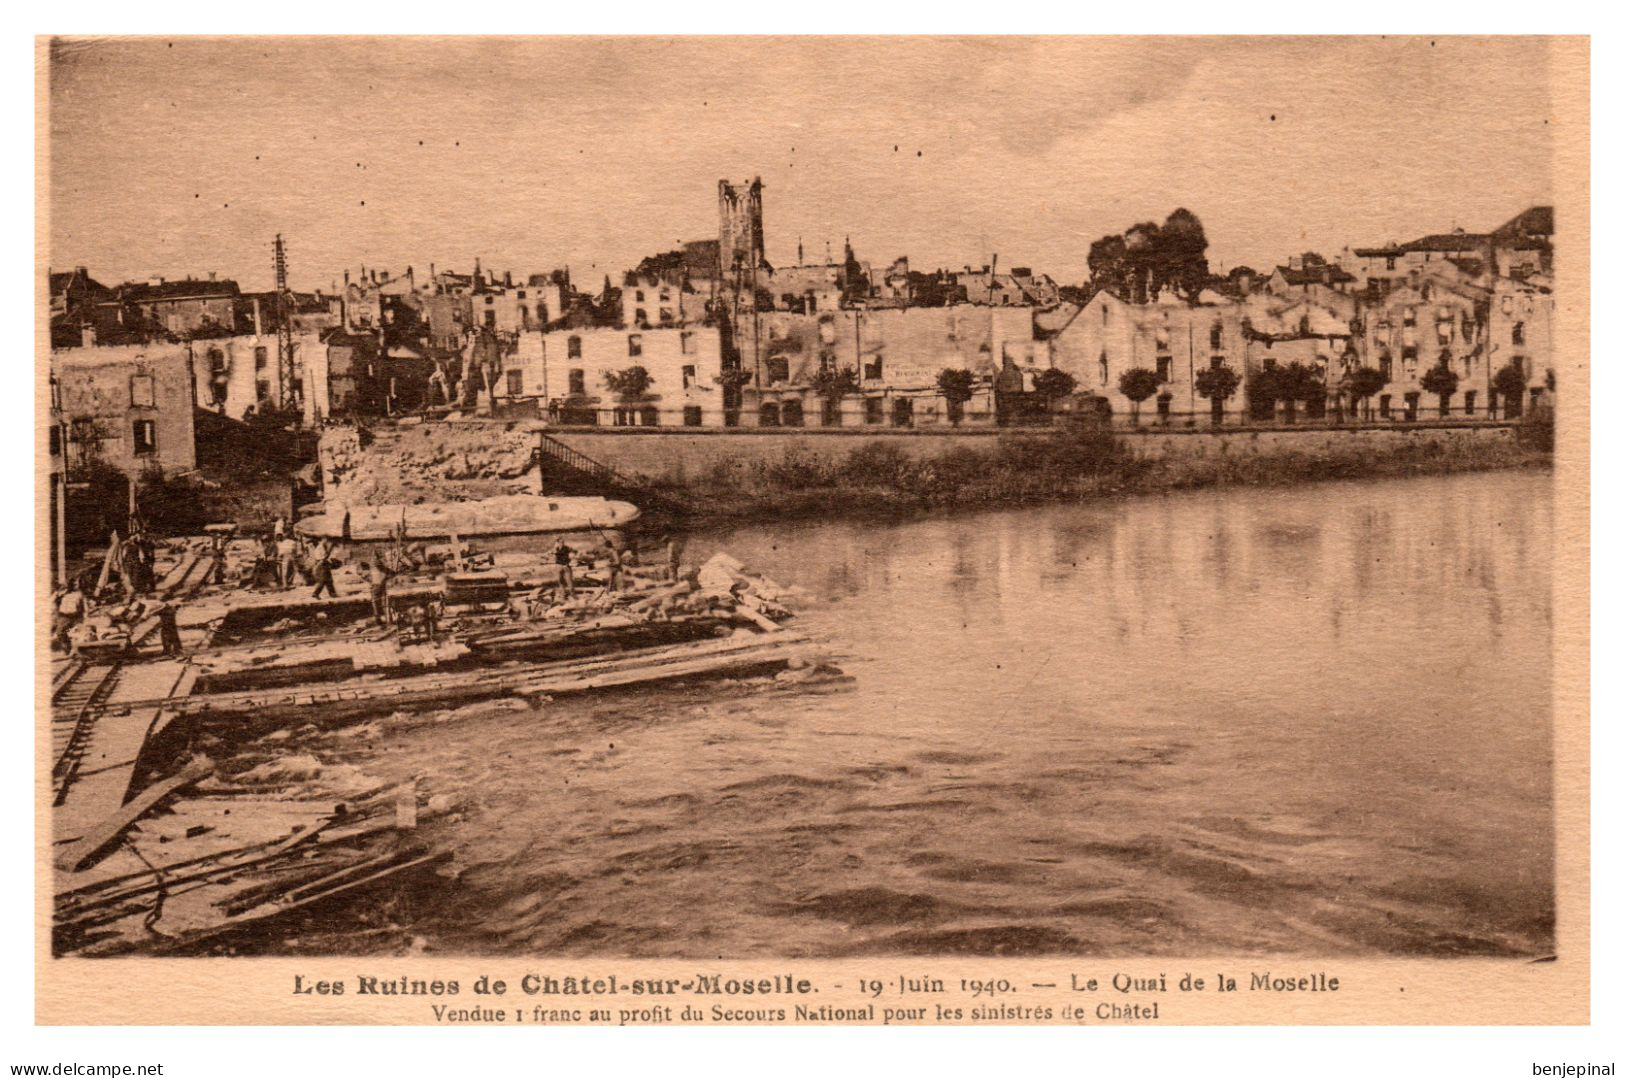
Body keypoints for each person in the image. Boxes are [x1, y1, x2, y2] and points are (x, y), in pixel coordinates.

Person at [363, 560, 391, 625]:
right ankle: (380, 621)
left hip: (379, 588)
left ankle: (386, 620)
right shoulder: (379, 570)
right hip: (377, 588)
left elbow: (365, 577)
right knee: (378, 605)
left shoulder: (384, 570)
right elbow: (365, 576)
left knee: (383, 605)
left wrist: (371, 582)